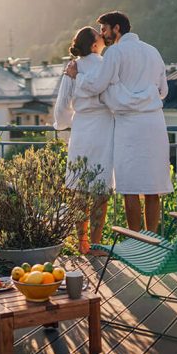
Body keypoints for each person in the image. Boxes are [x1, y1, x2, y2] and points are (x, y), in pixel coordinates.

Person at [65, 11, 172, 233]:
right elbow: (163, 91)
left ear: (116, 28)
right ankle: (150, 241)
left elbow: (97, 86)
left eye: (104, 29)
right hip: (154, 124)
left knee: (130, 188)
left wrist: (78, 76)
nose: (103, 35)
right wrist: (145, 95)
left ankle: (135, 241)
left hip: (129, 126)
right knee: (153, 188)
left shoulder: (115, 53)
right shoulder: (153, 51)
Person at [54, 26, 114, 255]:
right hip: (103, 128)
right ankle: (96, 244)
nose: (103, 38)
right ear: (94, 45)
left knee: (80, 189)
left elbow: (62, 104)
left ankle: (82, 243)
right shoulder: (104, 65)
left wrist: (65, 123)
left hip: (80, 130)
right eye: (100, 37)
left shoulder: (73, 67)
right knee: (101, 189)